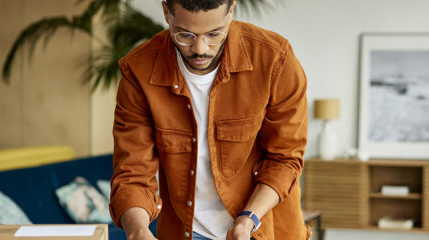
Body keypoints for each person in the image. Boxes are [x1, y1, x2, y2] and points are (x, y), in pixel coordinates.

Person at [109, 0, 309, 239]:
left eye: (214, 34)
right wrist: (138, 231)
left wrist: (247, 221)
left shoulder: (275, 59)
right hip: (185, 231)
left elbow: (285, 159)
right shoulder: (138, 71)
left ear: (231, 9)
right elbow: (133, 172)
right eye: (185, 35)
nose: (200, 48)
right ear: (166, 12)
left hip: (262, 226)